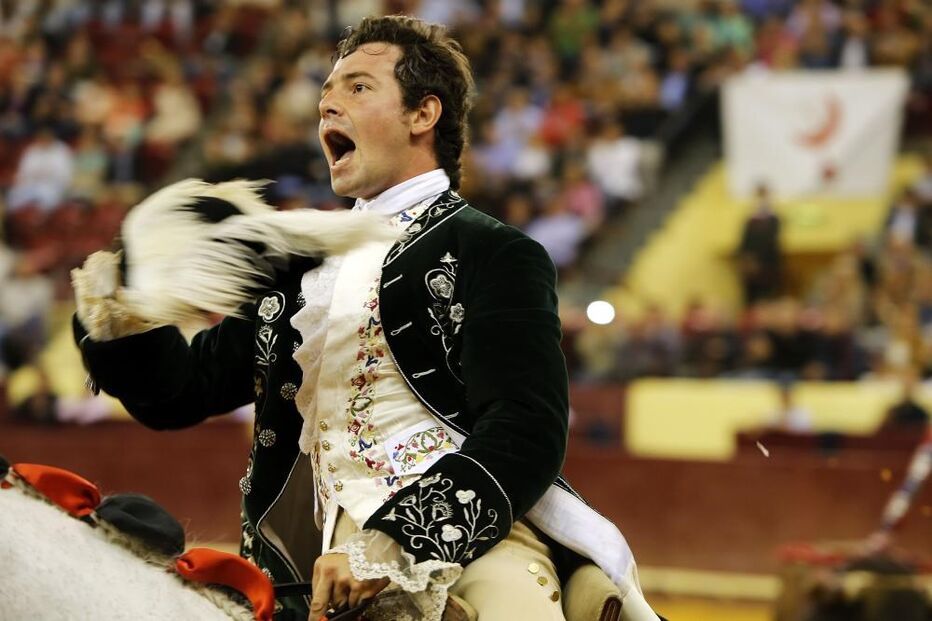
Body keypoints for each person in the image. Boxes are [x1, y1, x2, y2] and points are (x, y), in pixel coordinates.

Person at [73, 15, 659, 621]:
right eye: (326, 94)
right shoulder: (297, 266)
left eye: (357, 87)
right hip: (306, 560)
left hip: (469, 546)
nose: (328, 105)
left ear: (422, 115)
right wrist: (120, 313)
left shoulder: (495, 252)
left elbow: (525, 426)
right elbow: (179, 394)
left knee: (511, 608)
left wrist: (400, 542)